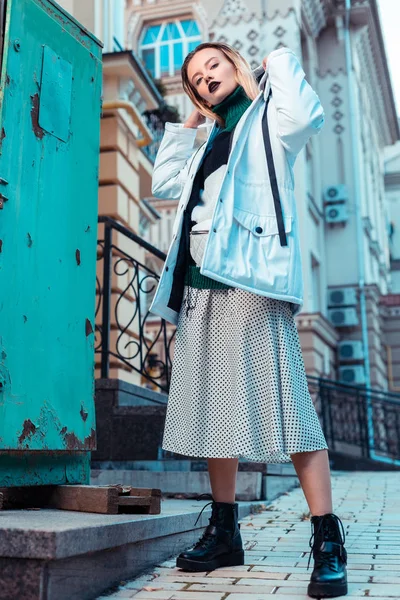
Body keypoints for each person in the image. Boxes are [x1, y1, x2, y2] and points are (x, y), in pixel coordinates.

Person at [149, 42, 348, 599]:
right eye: (195, 78)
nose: (205, 77)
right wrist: (192, 117)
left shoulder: (269, 119)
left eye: (213, 65)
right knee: (215, 413)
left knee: (288, 408)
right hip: (199, 286)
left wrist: (277, 59)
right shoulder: (207, 138)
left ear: (235, 65)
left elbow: (308, 114)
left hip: (253, 281)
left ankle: (327, 539)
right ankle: (224, 532)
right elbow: (163, 184)